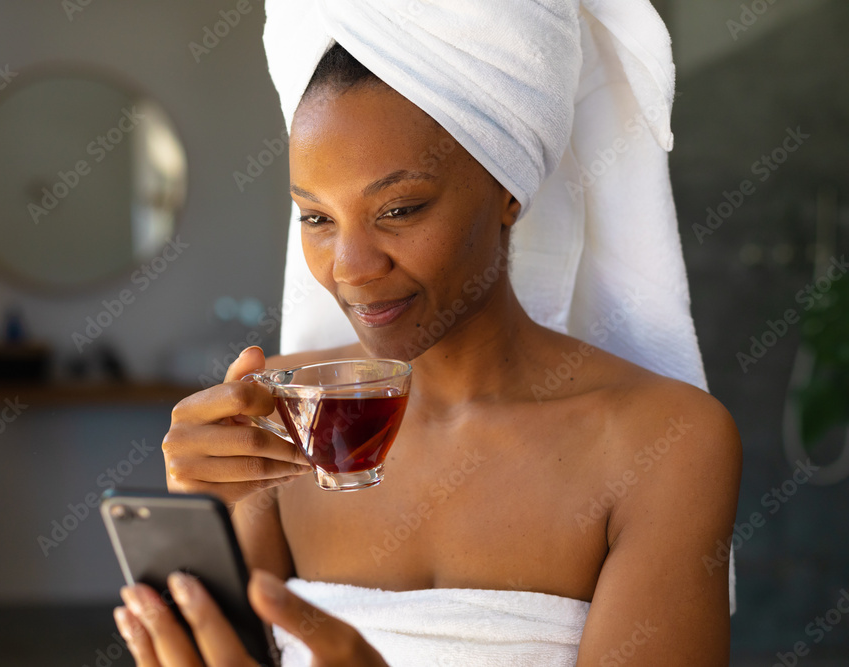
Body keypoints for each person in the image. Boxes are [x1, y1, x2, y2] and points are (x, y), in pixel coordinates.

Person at [112, 11, 742, 667]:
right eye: (317, 217)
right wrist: (196, 539)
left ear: (508, 192)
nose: (351, 267)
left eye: (400, 209)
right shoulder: (285, 421)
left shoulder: (665, 444)